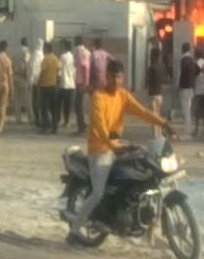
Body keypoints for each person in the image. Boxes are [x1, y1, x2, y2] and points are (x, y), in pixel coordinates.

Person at [66, 60, 176, 246]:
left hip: (119, 146)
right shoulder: (98, 97)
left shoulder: (123, 96)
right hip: (99, 150)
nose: (115, 80)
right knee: (98, 193)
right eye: (112, 76)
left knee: (144, 172)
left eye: (119, 77)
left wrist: (164, 124)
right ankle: (74, 230)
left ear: (123, 78)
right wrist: (111, 144)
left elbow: (143, 112)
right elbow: (99, 125)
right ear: (106, 76)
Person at [38, 42, 61, 134]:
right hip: (53, 86)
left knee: (44, 108)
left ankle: (45, 128)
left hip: (44, 86)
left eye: (44, 48)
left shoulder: (45, 59)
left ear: (47, 49)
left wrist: (39, 81)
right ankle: (54, 128)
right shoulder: (56, 59)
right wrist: (57, 84)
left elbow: (42, 71)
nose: (43, 50)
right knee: (53, 108)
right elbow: (59, 73)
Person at [146, 48, 166, 138]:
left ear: (153, 56)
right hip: (159, 94)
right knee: (158, 116)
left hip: (152, 95)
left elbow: (147, 81)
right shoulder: (162, 66)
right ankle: (160, 135)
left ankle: (155, 136)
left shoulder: (151, 67)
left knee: (153, 117)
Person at [12, 38, 34, 124]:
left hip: (15, 76)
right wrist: (27, 77)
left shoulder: (15, 51)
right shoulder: (27, 51)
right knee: (28, 99)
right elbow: (26, 63)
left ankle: (18, 119)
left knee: (17, 100)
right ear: (26, 43)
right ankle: (31, 118)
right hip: (23, 77)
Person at [73, 36, 91, 134]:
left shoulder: (78, 51)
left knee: (78, 105)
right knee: (80, 105)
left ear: (77, 42)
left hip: (80, 81)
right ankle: (83, 124)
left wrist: (84, 83)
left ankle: (81, 128)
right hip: (85, 81)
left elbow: (83, 66)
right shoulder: (88, 52)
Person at [177, 43, 196, 136]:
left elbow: (181, 75)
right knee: (188, 110)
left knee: (186, 111)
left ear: (182, 49)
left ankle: (187, 132)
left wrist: (179, 86)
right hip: (191, 88)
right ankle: (189, 130)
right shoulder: (192, 60)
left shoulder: (183, 60)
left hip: (185, 88)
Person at [58, 40, 76, 130]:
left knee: (64, 104)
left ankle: (65, 122)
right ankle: (67, 121)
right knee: (69, 104)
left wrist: (58, 79)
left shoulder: (62, 56)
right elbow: (74, 70)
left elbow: (59, 70)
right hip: (71, 83)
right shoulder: (72, 56)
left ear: (65, 46)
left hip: (64, 83)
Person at [192, 49, 204, 139]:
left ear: (196, 55)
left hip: (198, 91)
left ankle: (196, 130)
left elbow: (193, 75)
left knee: (197, 112)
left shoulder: (196, 64)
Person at [28, 39, 44, 129]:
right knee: (40, 102)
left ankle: (37, 120)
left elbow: (32, 69)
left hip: (35, 82)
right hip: (42, 82)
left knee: (35, 102)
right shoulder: (42, 54)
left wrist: (30, 82)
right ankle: (40, 120)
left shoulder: (35, 55)